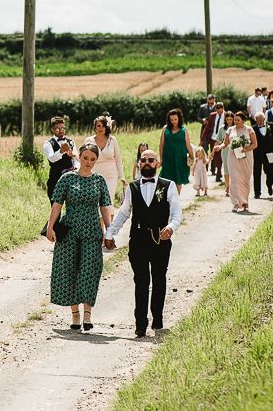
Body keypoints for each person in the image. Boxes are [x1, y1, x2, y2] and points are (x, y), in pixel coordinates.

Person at [104, 149, 182, 337]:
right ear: (139, 163)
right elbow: (123, 213)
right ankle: (140, 323)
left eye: (151, 160)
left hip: (160, 240)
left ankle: (157, 319)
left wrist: (171, 227)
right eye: (144, 160)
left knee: (159, 279)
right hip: (138, 240)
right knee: (141, 281)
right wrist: (110, 233)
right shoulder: (132, 187)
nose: (147, 162)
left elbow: (177, 213)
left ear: (157, 163)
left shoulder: (168, 185)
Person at [46, 143, 112, 332]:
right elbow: (57, 204)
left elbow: (104, 208)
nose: (88, 162)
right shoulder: (67, 178)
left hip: (92, 232)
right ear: (79, 157)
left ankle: (88, 315)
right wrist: (51, 227)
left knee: (89, 270)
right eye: (85, 158)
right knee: (69, 271)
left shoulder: (99, 181)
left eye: (92, 159)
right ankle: (75, 314)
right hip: (69, 232)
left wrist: (109, 231)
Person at [214, 111, 256, 212]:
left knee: (245, 180)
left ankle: (245, 203)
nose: (236, 122)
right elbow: (225, 143)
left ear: (243, 120)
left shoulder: (249, 130)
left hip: (246, 157)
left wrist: (246, 149)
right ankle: (236, 203)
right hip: (233, 157)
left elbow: (255, 144)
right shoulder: (230, 130)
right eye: (235, 120)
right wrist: (219, 147)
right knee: (234, 180)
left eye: (238, 120)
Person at [84, 114, 125, 209]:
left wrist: (122, 176)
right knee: (96, 202)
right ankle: (99, 224)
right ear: (95, 127)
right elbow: (83, 158)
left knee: (108, 201)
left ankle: (109, 224)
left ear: (107, 127)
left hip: (111, 175)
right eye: (98, 126)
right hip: (94, 175)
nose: (100, 128)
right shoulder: (88, 141)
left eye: (103, 126)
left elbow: (118, 159)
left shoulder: (112, 140)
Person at [158, 108, 195, 195]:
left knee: (178, 180)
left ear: (179, 119)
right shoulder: (165, 129)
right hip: (167, 158)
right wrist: (161, 159)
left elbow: (188, 145)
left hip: (180, 159)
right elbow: (161, 144)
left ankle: (176, 200)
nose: (173, 121)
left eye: (175, 119)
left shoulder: (184, 130)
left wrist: (192, 157)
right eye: (171, 120)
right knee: (166, 179)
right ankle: (167, 200)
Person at [43, 116, 78, 202]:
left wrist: (76, 168)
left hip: (71, 178)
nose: (61, 130)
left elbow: (76, 159)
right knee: (55, 207)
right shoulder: (48, 143)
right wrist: (61, 151)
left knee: (72, 206)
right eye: (58, 129)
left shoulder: (71, 141)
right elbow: (51, 158)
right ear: (52, 129)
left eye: (62, 128)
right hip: (55, 179)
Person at [251, 113, 273, 199]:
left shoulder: (272, 126)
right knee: (256, 173)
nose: (260, 122)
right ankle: (257, 192)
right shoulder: (252, 129)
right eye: (258, 120)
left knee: (270, 171)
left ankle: (269, 185)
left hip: (269, 153)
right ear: (255, 120)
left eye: (261, 120)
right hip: (257, 154)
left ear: (264, 119)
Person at [200, 101, 225, 182]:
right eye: (217, 111)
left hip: (222, 139)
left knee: (220, 157)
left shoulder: (227, 115)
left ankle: (218, 172)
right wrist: (202, 139)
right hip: (213, 138)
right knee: (214, 154)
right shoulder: (212, 115)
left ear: (223, 109)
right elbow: (207, 128)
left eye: (220, 110)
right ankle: (216, 171)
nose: (219, 112)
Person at [215, 111, 235, 197]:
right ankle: (227, 187)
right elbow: (218, 141)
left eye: (231, 119)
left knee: (234, 170)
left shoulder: (236, 128)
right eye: (227, 119)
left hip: (235, 152)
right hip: (225, 151)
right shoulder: (222, 129)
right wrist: (213, 151)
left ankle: (234, 187)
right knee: (226, 169)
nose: (229, 121)